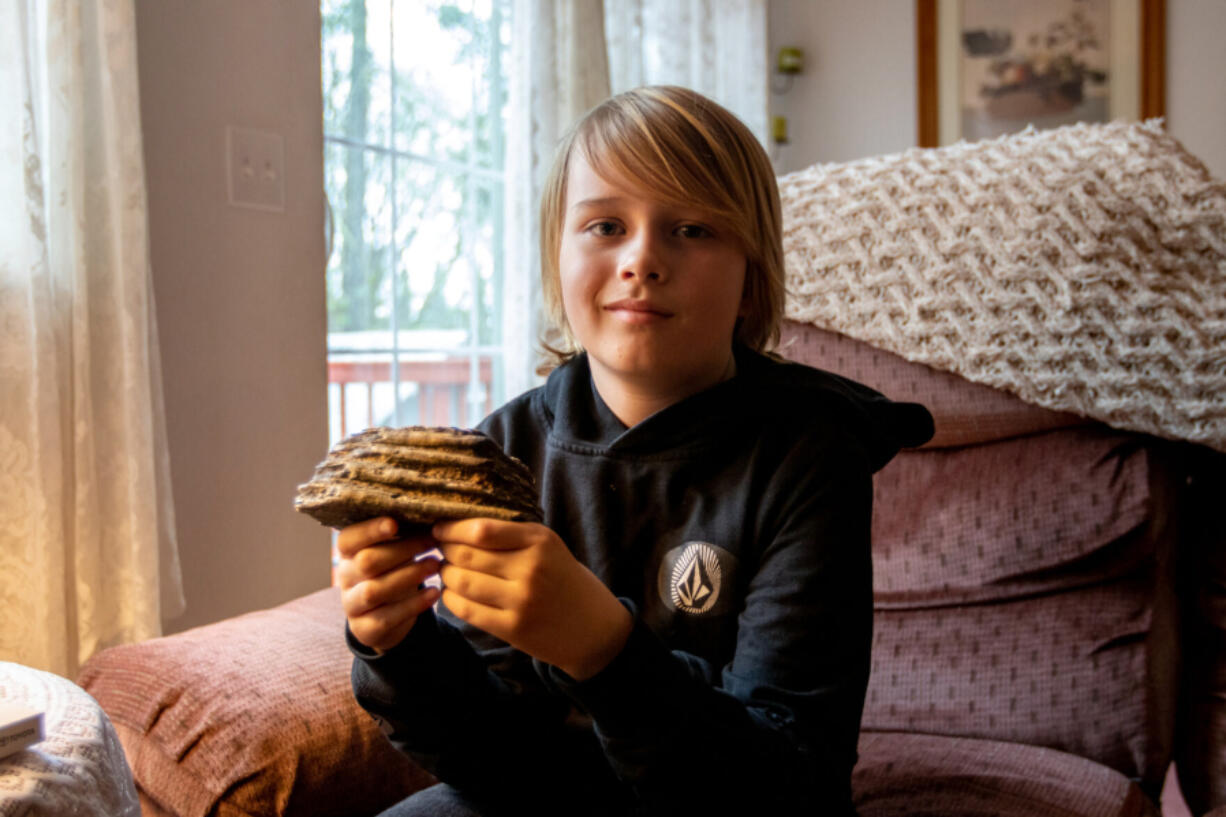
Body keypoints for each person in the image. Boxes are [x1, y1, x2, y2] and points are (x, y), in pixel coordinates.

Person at [337, 85, 933, 816]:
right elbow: (486, 759)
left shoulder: (808, 458)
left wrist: (602, 648)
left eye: (692, 229)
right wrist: (392, 647)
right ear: (557, 259)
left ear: (752, 275)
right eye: (606, 224)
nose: (643, 259)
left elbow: (793, 781)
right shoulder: (501, 451)